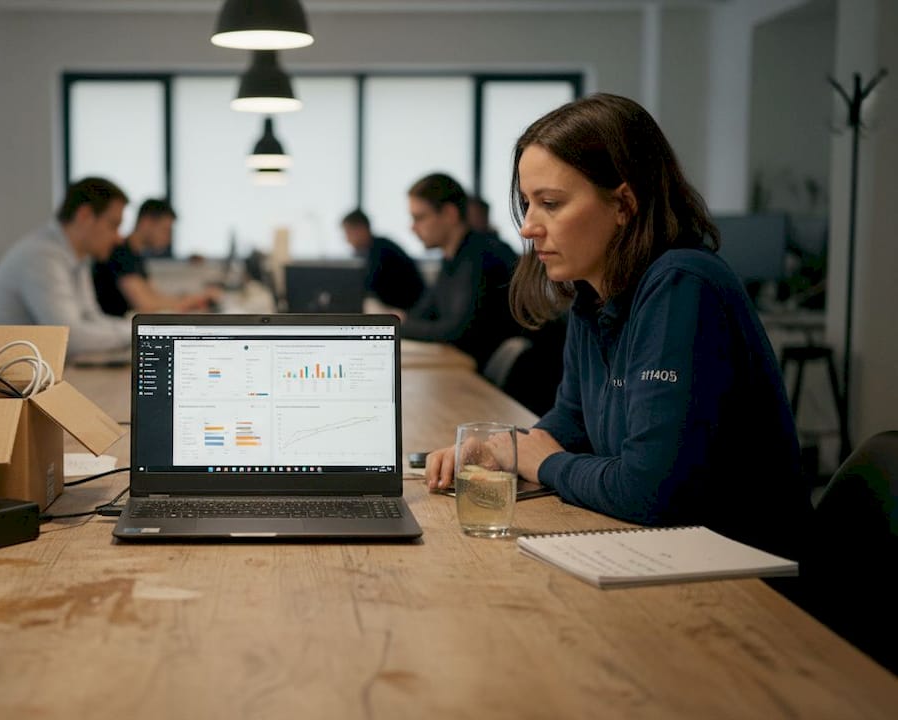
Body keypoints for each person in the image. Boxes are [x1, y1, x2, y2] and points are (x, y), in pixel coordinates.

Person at [424, 93, 809, 561]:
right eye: (527, 203)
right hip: (670, 553)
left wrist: (543, 463)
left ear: (623, 203)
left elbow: (649, 491)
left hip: (747, 583)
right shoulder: (593, 291)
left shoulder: (681, 285)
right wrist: (499, 450)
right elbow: (572, 421)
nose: (528, 227)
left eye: (550, 203)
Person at [0, 177, 131, 355]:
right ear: (85, 215)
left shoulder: (77, 257)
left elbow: (91, 317)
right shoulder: (41, 256)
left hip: (27, 372)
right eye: (114, 225)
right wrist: (135, 334)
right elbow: (71, 339)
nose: (119, 238)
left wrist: (138, 330)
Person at [399, 174, 520, 368]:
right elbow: (423, 313)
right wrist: (402, 323)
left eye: (419, 217)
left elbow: (456, 331)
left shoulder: (483, 256)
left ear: (449, 214)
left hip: (494, 387)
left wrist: (397, 326)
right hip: (466, 370)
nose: (412, 228)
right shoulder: (451, 258)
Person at [92, 199, 217, 316]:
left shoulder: (136, 255)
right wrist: (189, 302)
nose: (169, 238)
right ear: (147, 222)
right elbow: (146, 305)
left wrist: (190, 300)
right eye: (165, 230)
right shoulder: (121, 252)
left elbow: (154, 296)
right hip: (114, 330)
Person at [340, 209, 425, 311]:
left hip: (409, 309)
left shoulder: (382, 251)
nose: (347, 240)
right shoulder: (371, 249)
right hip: (399, 307)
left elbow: (367, 285)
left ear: (361, 229)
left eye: (348, 233)